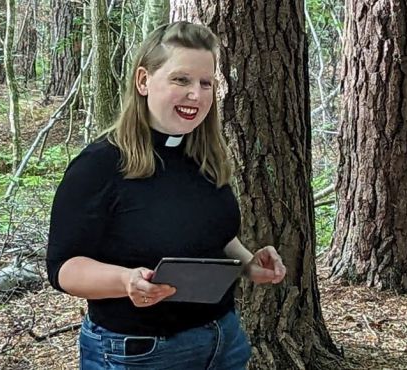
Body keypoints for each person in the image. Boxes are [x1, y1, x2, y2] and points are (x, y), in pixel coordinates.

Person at [46, 21, 286, 370]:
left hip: (224, 340)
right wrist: (125, 282)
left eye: (206, 83)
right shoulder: (98, 165)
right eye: (181, 80)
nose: (197, 94)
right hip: (138, 351)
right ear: (143, 81)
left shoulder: (204, 156)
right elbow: (63, 269)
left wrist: (248, 263)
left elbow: (212, 235)